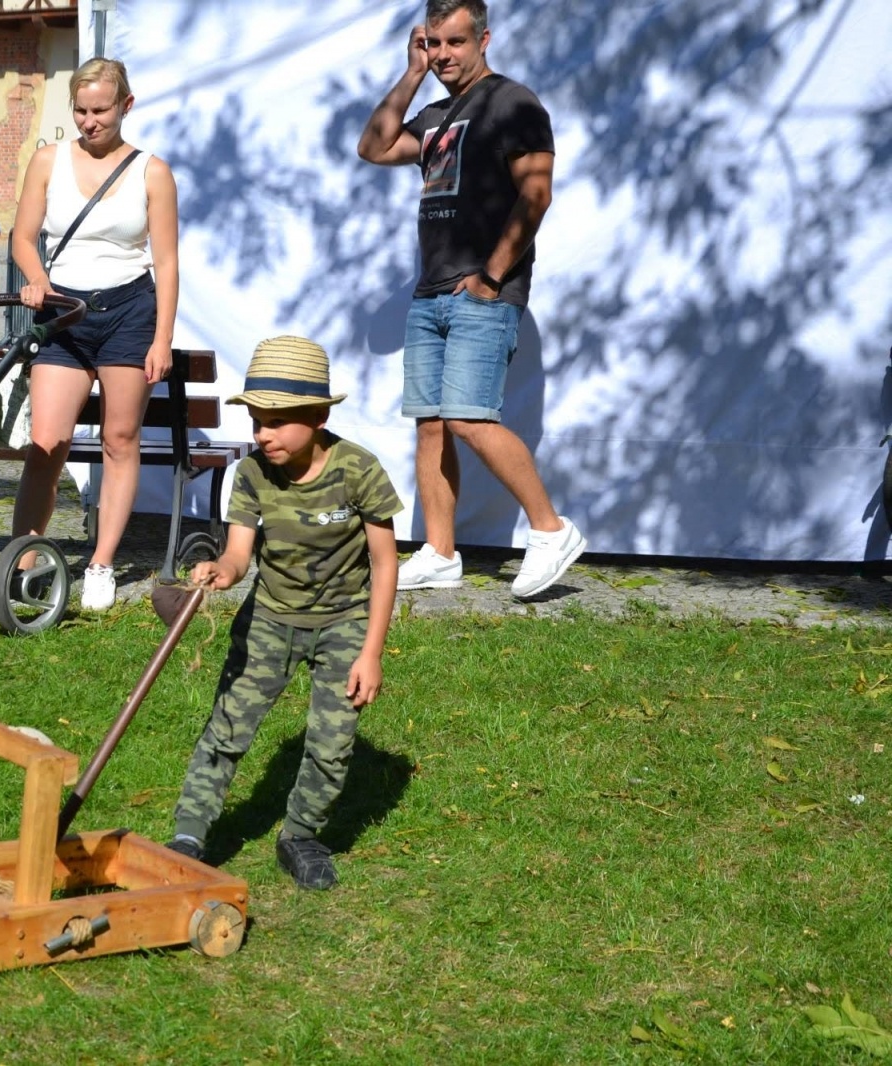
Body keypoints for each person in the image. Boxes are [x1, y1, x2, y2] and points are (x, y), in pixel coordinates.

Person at [357, 0, 584, 599]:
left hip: (485, 291)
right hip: (429, 290)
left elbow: (535, 195)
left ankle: (551, 529)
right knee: (430, 425)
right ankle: (438, 551)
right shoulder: (433, 112)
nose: (444, 55)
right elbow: (374, 148)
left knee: (468, 417)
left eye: (456, 42)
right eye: (434, 44)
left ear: (484, 38)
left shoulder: (515, 103)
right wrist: (409, 75)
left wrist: (492, 276)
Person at [167, 336, 401, 891]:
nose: (262, 434)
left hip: (344, 623)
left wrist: (371, 652)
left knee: (332, 742)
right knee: (227, 726)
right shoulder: (251, 475)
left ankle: (300, 835)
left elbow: (385, 563)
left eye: (276, 421)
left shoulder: (358, 471)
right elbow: (239, 553)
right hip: (269, 619)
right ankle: (190, 835)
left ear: (318, 417)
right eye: (256, 420)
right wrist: (221, 571)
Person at [12, 56, 180, 611]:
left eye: (101, 110)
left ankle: (102, 563)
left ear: (125, 106)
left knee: (119, 440)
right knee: (47, 443)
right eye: (81, 110)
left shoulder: (152, 171)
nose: (89, 121)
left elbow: (167, 261)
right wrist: (36, 279)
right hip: (63, 312)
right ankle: (24, 560)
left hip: (130, 311)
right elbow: (22, 237)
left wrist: (161, 338)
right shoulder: (47, 160)